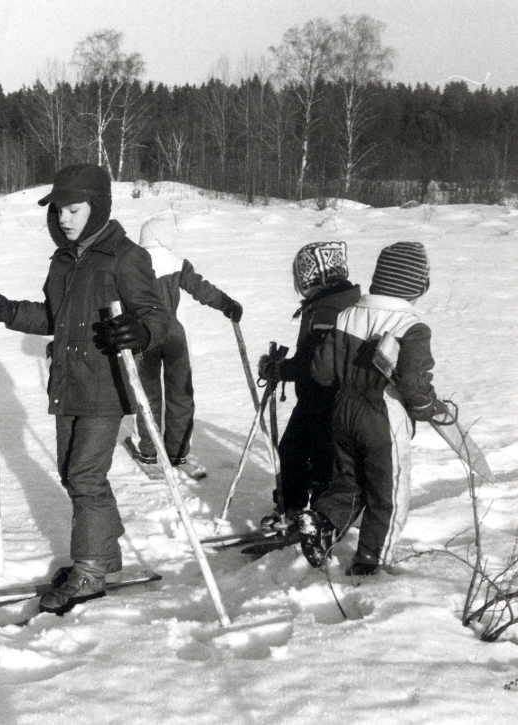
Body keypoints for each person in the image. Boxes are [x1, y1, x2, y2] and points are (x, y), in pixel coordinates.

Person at [0, 164, 172, 614]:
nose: (63, 218)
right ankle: (104, 554)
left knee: (85, 475)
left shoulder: (125, 257)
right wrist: (8, 311)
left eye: (74, 210)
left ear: (97, 208)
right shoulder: (63, 261)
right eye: (58, 210)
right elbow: (54, 317)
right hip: (67, 382)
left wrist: (140, 332)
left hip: (105, 387)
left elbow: (156, 315)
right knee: (71, 472)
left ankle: (90, 568)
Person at [298, 242, 445, 576]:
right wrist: (428, 406)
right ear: (416, 287)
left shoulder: (347, 315)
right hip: (382, 415)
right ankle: (371, 560)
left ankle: (321, 522)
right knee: (388, 491)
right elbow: (413, 383)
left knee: (349, 482)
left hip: (342, 412)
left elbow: (321, 372)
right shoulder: (412, 327)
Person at [257, 242, 361, 531]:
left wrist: (281, 369)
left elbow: (314, 364)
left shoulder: (328, 310)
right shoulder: (330, 303)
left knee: (321, 461)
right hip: (314, 399)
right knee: (292, 451)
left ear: (310, 278)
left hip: (327, 401)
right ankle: (292, 508)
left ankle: (317, 519)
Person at [129, 222, 244, 478]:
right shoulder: (177, 262)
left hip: (144, 337)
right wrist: (227, 304)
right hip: (176, 338)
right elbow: (201, 289)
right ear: (162, 237)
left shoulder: (131, 262)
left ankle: (147, 452)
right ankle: (178, 452)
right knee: (180, 394)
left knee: (147, 394)